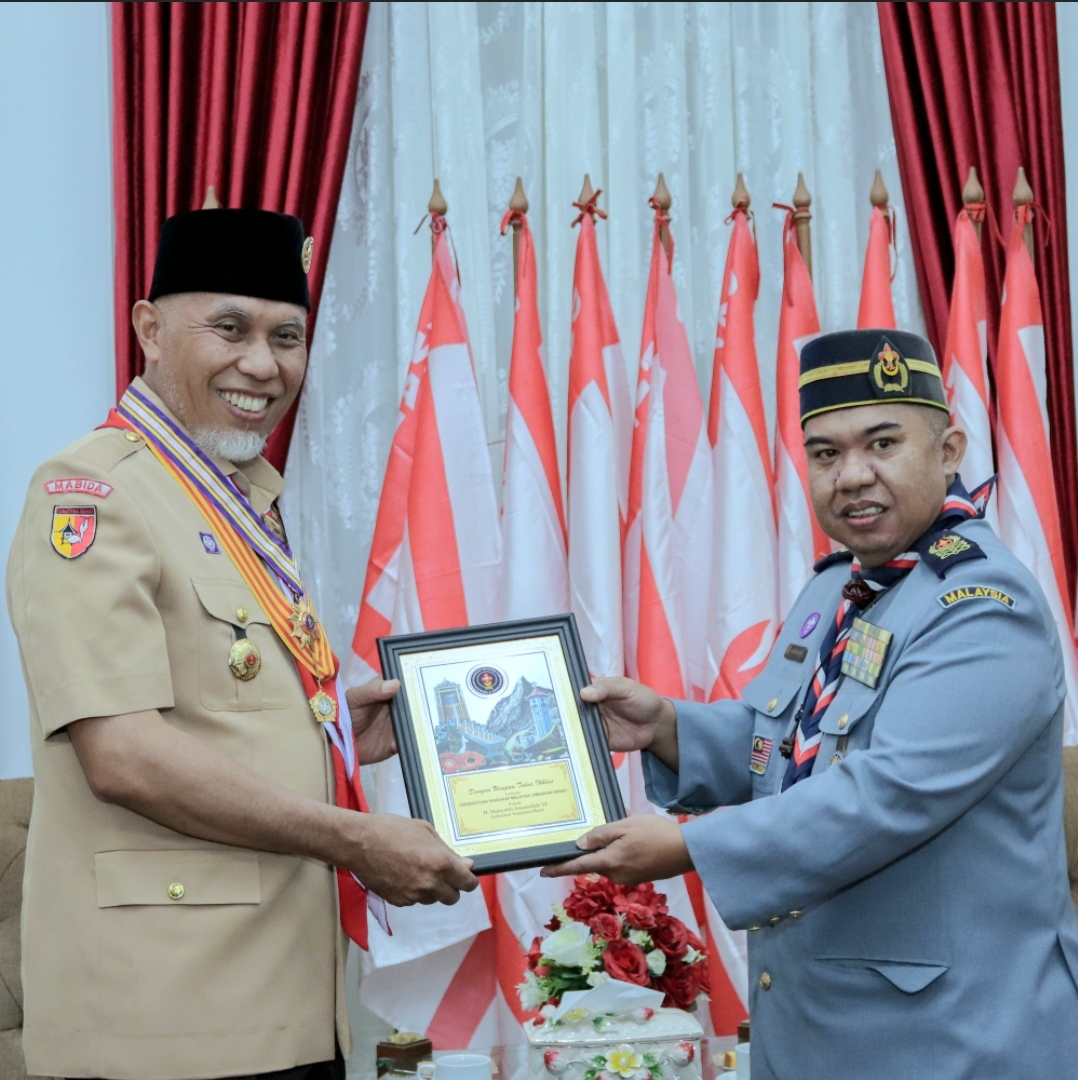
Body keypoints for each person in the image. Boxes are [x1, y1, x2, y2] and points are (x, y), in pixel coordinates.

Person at [6, 204, 476, 1080]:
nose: (262, 363)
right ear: (149, 328)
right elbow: (125, 757)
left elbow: (214, 707)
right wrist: (355, 839)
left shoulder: (239, 494)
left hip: (283, 999)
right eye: (230, 327)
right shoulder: (91, 496)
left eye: (286, 336)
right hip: (165, 1019)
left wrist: (331, 731)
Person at [542, 329, 1078, 1078]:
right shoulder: (841, 584)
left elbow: (885, 794)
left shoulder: (984, 607)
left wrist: (691, 847)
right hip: (819, 1029)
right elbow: (790, 742)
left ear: (950, 448)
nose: (851, 475)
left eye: (882, 443)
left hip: (950, 1039)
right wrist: (666, 728)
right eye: (825, 454)